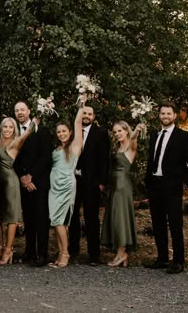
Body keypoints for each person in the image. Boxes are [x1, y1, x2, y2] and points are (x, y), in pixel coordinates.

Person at [144, 102, 188, 274]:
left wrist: (186, 182)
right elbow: (151, 160)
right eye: (162, 113)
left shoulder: (183, 137)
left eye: (168, 113)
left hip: (173, 186)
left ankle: (178, 261)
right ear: (159, 116)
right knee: (158, 223)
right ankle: (162, 259)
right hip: (155, 185)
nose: (165, 116)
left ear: (174, 116)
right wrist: (148, 181)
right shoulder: (155, 135)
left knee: (175, 224)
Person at [68, 105, 110, 265]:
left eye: (89, 114)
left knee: (91, 217)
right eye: (84, 113)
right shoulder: (72, 131)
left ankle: (94, 254)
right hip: (73, 180)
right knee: (72, 216)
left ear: (93, 116)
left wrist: (102, 182)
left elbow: (104, 159)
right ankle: (73, 251)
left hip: (92, 182)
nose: (86, 116)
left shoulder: (101, 133)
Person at [13, 100, 52, 266]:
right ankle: (30, 251)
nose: (20, 113)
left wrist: (31, 176)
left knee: (41, 218)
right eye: (17, 110)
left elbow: (46, 158)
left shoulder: (41, 131)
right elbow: (13, 158)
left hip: (39, 182)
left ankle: (42, 254)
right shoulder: (14, 132)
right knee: (28, 218)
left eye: (22, 109)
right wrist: (22, 177)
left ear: (29, 111)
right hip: (23, 183)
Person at [101, 121, 145, 267]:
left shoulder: (130, 147)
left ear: (127, 131)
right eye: (115, 132)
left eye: (120, 130)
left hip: (122, 187)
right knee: (115, 218)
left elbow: (133, 139)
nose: (117, 134)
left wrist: (137, 129)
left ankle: (121, 253)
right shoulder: (117, 147)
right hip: (114, 187)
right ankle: (121, 254)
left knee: (121, 219)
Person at [0, 116, 37, 265]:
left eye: (10, 127)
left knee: (12, 217)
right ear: (1, 128)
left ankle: (8, 250)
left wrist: (36, 119)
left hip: (11, 183)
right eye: (5, 127)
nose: (7, 129)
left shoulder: (15, 143)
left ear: (14, 129)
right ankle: (0, 247)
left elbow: (26, 134)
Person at [48, 108, 85, 268]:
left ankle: (65, 253)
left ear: (70, 132)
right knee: (56, 221)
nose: (61, 134)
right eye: (58, 132)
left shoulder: (74, 147)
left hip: (66, 186)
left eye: (64, 131)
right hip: (53, 187)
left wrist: (82, 104)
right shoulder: (56, 149)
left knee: (58, 220)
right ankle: (61, 251)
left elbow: (78, 122)